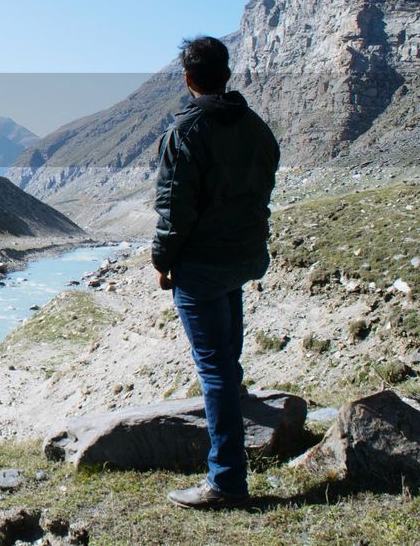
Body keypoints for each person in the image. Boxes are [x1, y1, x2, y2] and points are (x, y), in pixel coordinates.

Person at [153, 36, 280, 509]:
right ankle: (237, 456)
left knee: (216, 372)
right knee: (228, 361)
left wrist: (164, 262)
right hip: (239, 259)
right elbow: (263, 183)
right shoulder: (256, 127)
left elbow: (173, 210)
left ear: (188, 78)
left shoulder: (185, 133)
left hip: (200, 267)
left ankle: (226, 480)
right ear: (226, 74)